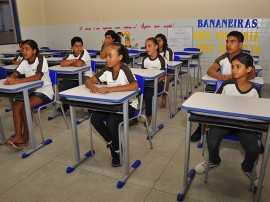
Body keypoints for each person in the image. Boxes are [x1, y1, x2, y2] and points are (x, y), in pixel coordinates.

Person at [195, 53, 261, 186]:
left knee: (254, 149)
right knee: (211, 141)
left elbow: (257, 112)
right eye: (232, 67)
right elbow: (214, 102)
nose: (234, 70)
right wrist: (209, 121)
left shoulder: (254, 90)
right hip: (223, 122)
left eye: (238, 67)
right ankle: (214, 160)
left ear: (249, 69)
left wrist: (257, 131)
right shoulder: (227, 84)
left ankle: (248, 168)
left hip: (245, 125)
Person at [191, 31, 256, 142]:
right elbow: (210, 70)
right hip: (224, 92)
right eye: (227, 42)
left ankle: (253, 136)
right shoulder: (223, 57)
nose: (228, 44)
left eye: (232, 42)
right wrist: (220, 76)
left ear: (240, 45)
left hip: (240, 95)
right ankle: (201, 128)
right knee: (207, 104)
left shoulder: (244, 58)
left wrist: (235, 77)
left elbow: (252, 73)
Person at [85, 43, 138, 167]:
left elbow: (135, 86)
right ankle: (112, 142)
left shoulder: (124, 68)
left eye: (110, 56)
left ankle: (116, 152)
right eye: (106, 55)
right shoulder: (106, 69)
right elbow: (88, 80)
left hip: (128, 105)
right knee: (95, 119)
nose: (106, 58)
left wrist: (111, 89)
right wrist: (92, 86)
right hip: (112, 104)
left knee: (111, 122)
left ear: (119, 57)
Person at [3, 39, 53, 150]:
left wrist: (16, 81)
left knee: (25, 107)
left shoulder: (41, 59)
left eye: (27, 49)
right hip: (30, 91)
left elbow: (37, 77)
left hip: (44, 91)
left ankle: (25, 138)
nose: (24, 51)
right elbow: (16, 73)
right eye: (22, 49)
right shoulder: (24, 62)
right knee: (16, 106)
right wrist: (11, 78)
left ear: (34, 51)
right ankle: (18, 136)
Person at [58, 36, 91, 112]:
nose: (79, 48)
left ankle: (89, 106)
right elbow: (62, 63)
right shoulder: (69, 54)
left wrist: (70, 63)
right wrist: (74, 60)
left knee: (87, 84)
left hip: (85, 75)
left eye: (80, 46)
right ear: (72, 47)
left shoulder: (84, 52)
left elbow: (79, 64)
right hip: (73, 76)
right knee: (62, 85)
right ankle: (66, 105)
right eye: (76, 46)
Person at [142, 37, 165, 126]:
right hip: (146, 83)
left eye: (149, 46)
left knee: (147, 95)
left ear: (156, 46)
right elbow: (143, 73)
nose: (147, 49)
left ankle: (149, 116)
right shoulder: (145, 59)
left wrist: (154, 82)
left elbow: (163, 77)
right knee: (134, 92)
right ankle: (133, 116)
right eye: (145, 46)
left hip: (158, 83)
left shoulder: (161, 60)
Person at [155, 33, 174, 108]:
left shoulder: (168, 51)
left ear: (164, 42)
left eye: (159, 41)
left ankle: (164, 97)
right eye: (156, 41)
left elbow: (170, 63)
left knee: (166, 78)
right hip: (157, 71)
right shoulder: (154, 50)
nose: (158, 42)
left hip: (168, 71)